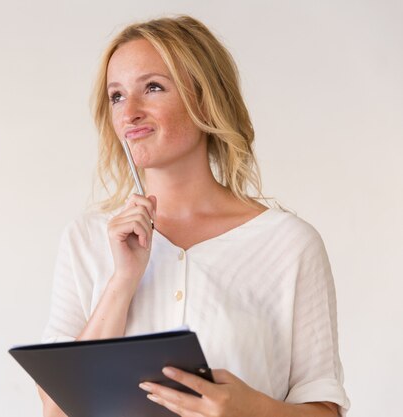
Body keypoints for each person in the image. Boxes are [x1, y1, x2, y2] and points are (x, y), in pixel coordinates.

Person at [38, 15, 350, 417]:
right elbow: (55, 411)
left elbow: (325, 410)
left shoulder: (289, 244)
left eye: (152, 87)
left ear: (205, 98)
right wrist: (123, 281)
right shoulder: (86, 239)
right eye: (116, 95)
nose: (128, 112)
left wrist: (250, 409)